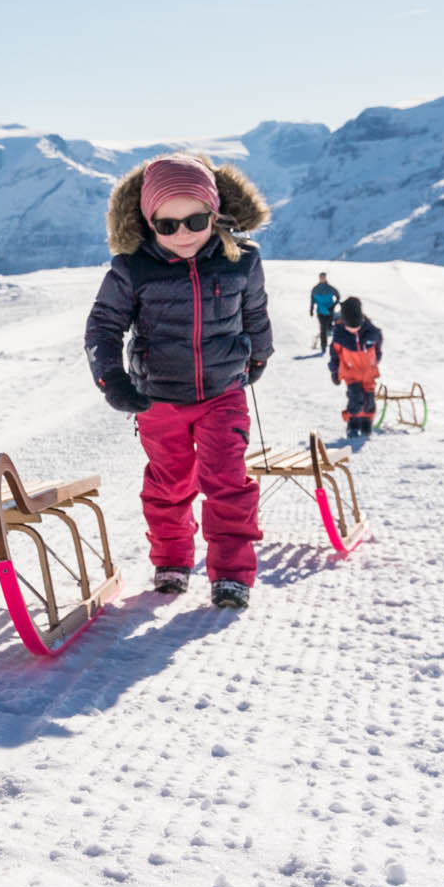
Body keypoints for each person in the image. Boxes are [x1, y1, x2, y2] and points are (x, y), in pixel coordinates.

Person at [83, 153, 270, 611]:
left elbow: (255, 313)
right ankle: (172, 561)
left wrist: (258, 355)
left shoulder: (240, 260)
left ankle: (230, 573)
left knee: (227, 481)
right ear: (149, 224)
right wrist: (111, 378)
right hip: (159, 399)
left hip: (223, 393)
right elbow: (103, 326)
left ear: (215, 214)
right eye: (167, 225)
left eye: (195, 220)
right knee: (170, 485)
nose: (182, 233)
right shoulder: (133, 268)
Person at [328, 297, 384, 438]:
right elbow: (334, 356)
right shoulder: (340, 337)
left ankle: (366, 423)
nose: (353, 330)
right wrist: (334, 372)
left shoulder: (372, 333)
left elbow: (378, 347)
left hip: (369, 373)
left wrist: (376, 359)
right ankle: (352, 424)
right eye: (350, 327)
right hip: (351, 374)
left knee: (369, 400)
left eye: (356, 327)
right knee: (355, 399)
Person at [308, 273, 340, 353]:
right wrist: (311, 309)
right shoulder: (315, 289)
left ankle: (333, 343)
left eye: (323, 277)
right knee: (323, 328)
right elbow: (312, 300)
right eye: (321, 277)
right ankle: (323, 346)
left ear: (325, 278)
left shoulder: (330, 288)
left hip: (330, 312)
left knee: (329, 329)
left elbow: (338, 296)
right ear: (319, 278)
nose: (322, 279)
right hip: (320, 312)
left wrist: (333, 306)